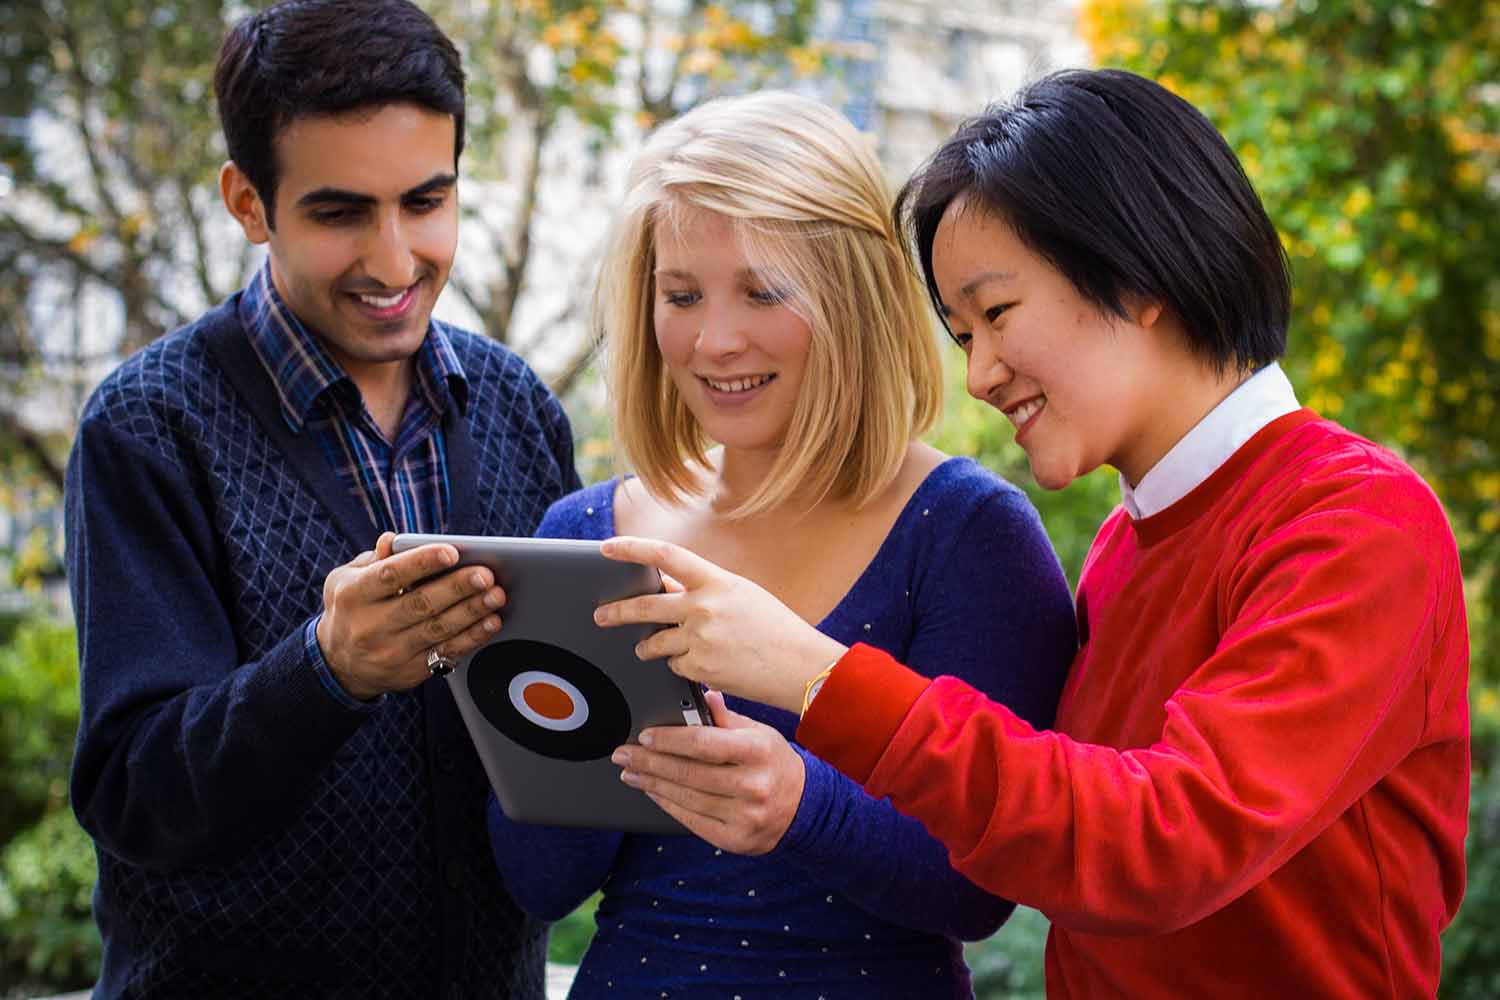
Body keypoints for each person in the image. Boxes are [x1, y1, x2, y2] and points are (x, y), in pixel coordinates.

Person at [596, 69, 1470, 997]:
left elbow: (1162, 844)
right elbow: (1052, 834)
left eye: (998, 314)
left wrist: (816, 677)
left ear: (1138, 275)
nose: (980, 376)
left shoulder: (1356, 522)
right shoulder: (1125, 544)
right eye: (964, 335)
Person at [485, 91, 1077, 998]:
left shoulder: (968, 537)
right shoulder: (586, 538)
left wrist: (803, 806)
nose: (716, 340)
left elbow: (983, 886)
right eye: (681, 296)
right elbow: (542, 881)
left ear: (853, 298)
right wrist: (591, 734)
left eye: (764, 292)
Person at [63, 1, 580, 995]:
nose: (394, 261)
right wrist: (325, 669)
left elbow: (554, 746)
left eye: (427, 201)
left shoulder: (519, 405)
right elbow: (133, 796)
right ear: (248, 202)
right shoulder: (147, 427)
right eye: (340, 213)